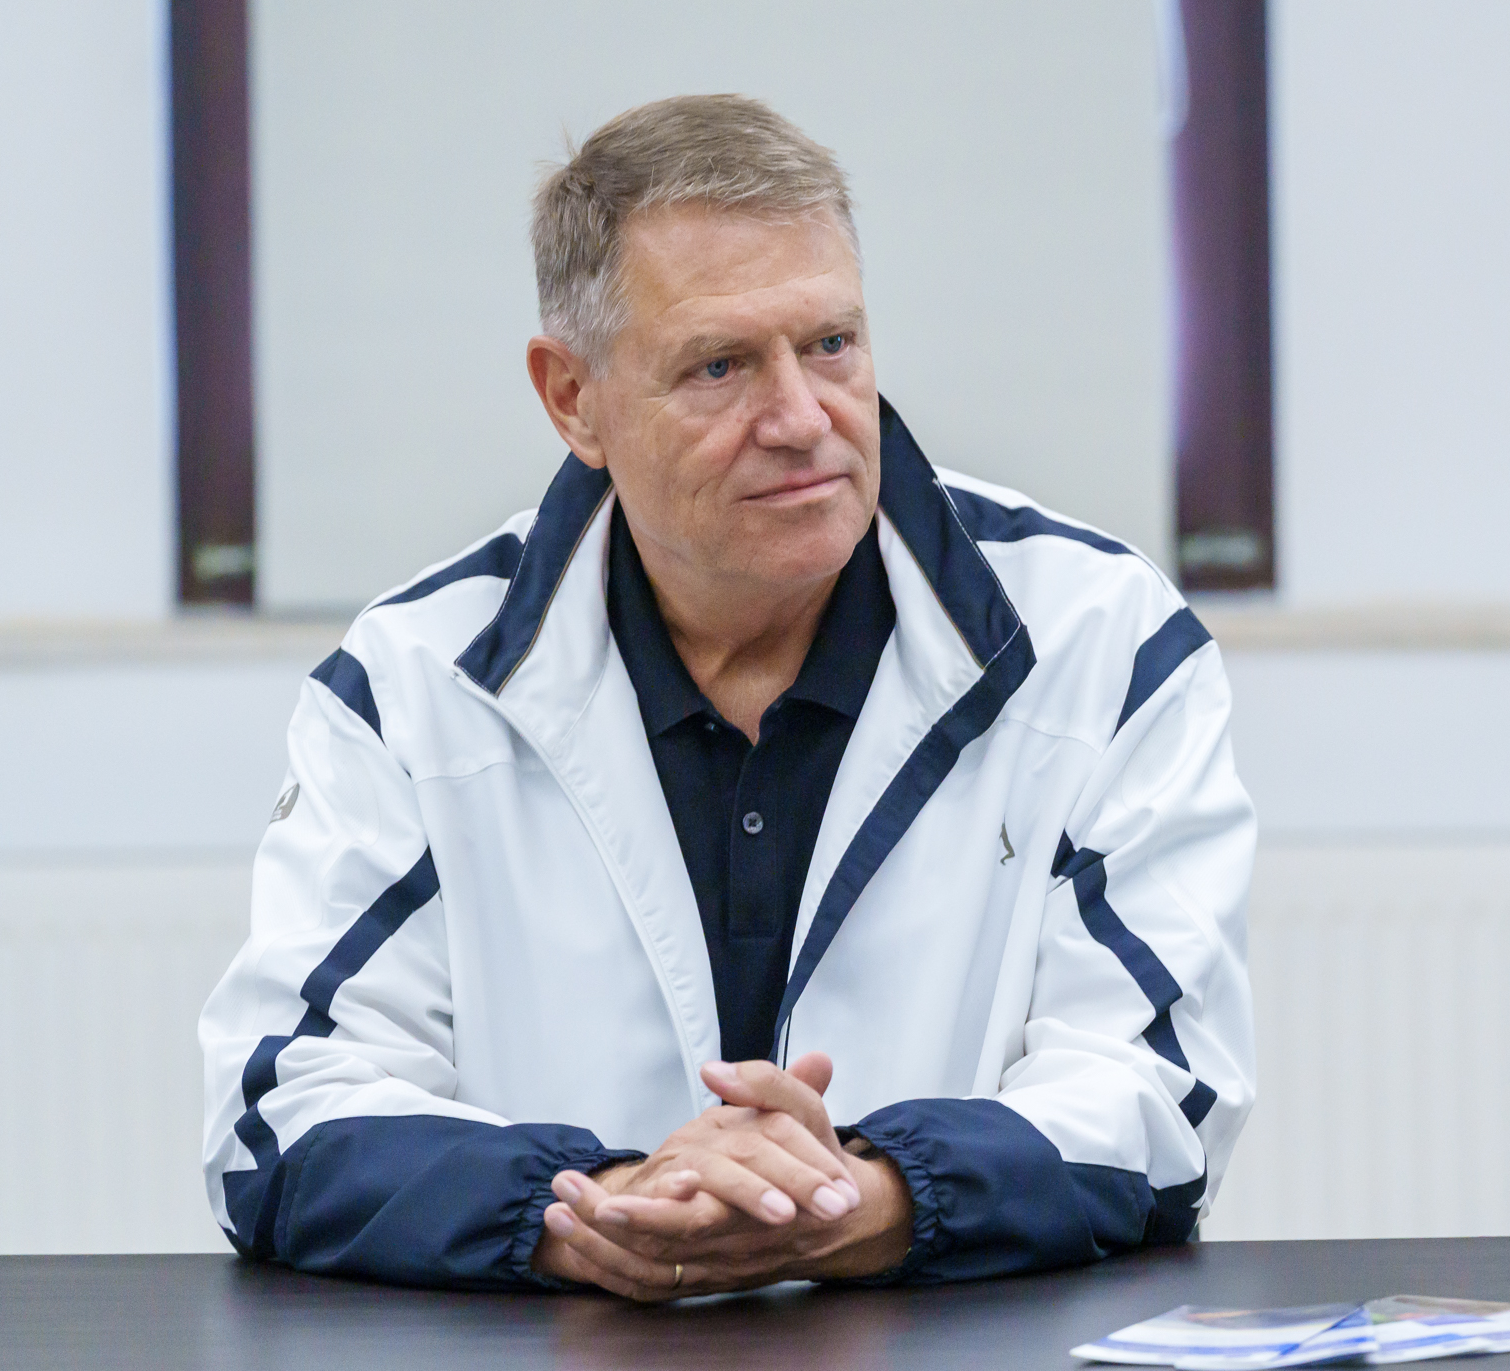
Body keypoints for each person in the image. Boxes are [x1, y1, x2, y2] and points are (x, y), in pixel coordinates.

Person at [199, 95, 1256, 1297]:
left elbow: (1159, 1086)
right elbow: (278, 1109)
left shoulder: (1102, 641)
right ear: (572, 398)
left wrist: (875, 1196)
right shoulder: (409, 683)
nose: (801, 419)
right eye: (719, 365)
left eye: (831, 344)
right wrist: (589, 1210)